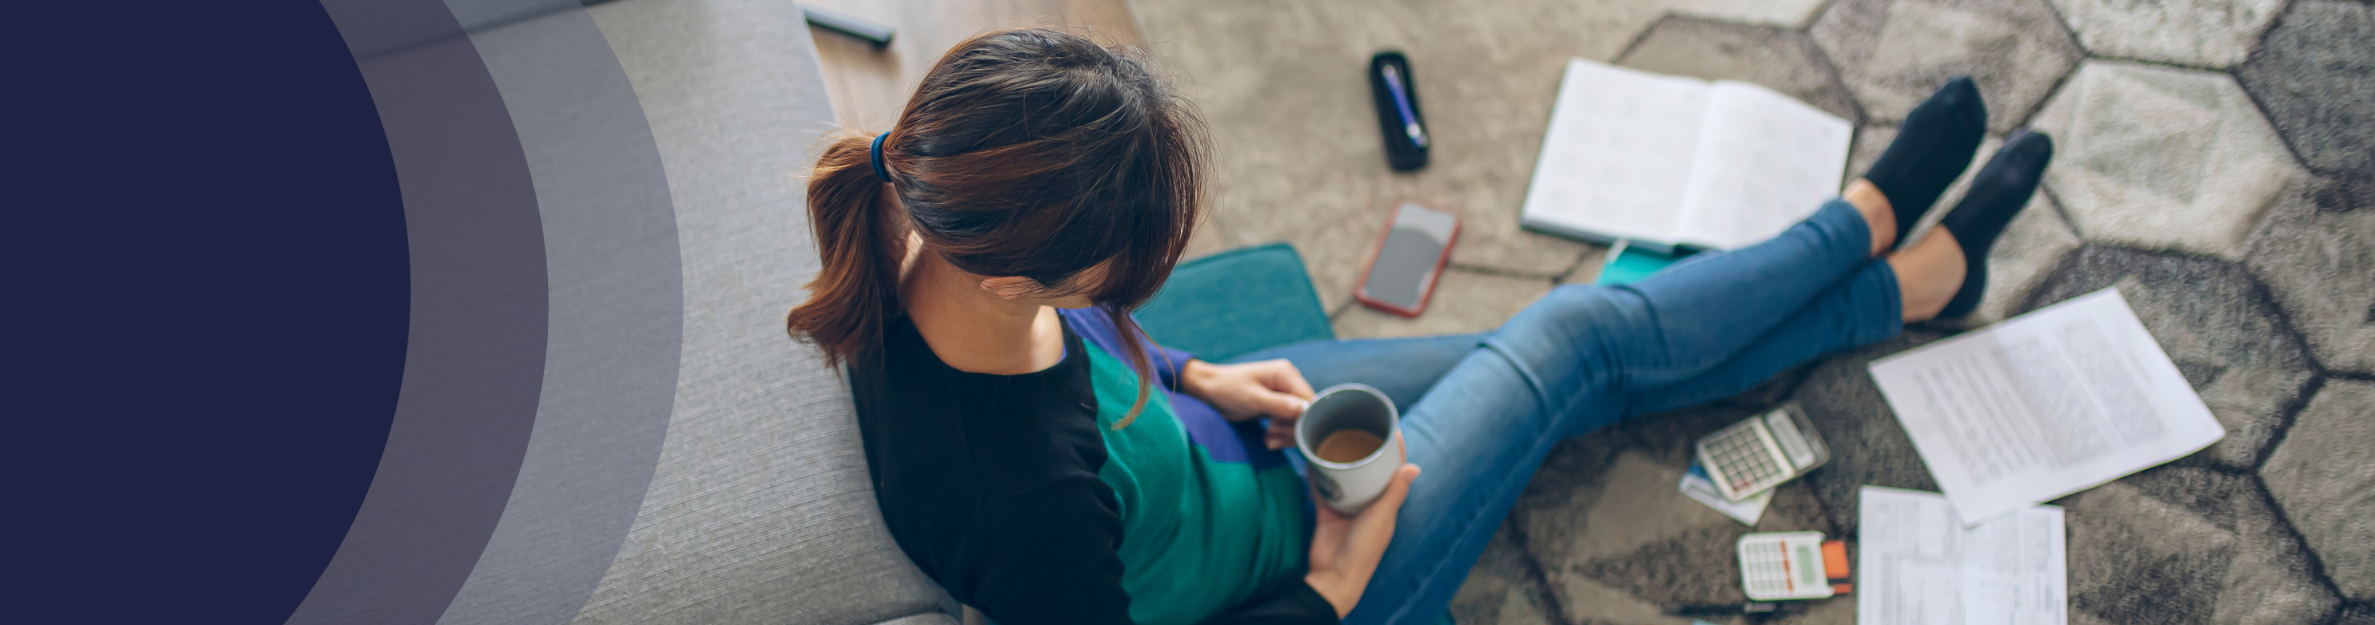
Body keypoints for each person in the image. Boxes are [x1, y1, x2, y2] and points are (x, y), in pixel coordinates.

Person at [787, 28, 2049, 625]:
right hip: (1311, 565)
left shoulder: (923, 216)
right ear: (1023, 279)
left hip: (1216, 447)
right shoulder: (1022, 509)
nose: (1129, 302)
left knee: (1591, 346)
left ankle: (1906, 281)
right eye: (1114, 282)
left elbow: (1089, 363)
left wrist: (1198, 372)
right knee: (1570, 342)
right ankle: (1867, 227)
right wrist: (1337, 581)